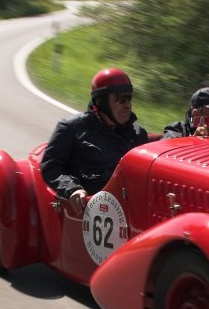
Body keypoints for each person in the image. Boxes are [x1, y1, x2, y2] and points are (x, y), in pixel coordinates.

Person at [41, 67, 150, 212]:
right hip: (91, 210)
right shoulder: (72, 128)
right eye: (121, 99)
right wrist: (73, 189)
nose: (127, 105)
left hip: (130, 209)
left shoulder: (137, 134)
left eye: (129, 98)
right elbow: (51, 166)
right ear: (102, 102)